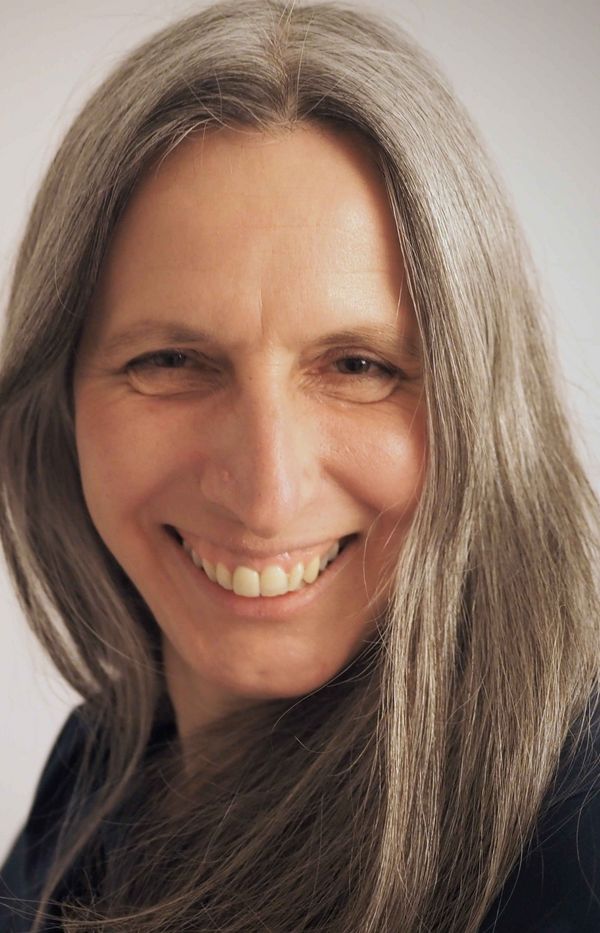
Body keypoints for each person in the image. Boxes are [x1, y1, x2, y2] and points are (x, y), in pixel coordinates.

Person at [0, 0, 599, 930]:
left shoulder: (577, 837)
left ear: (484, 405)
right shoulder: (101, 762)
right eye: (172, 360)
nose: (266, 490)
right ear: (61, 394)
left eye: (359, 367)